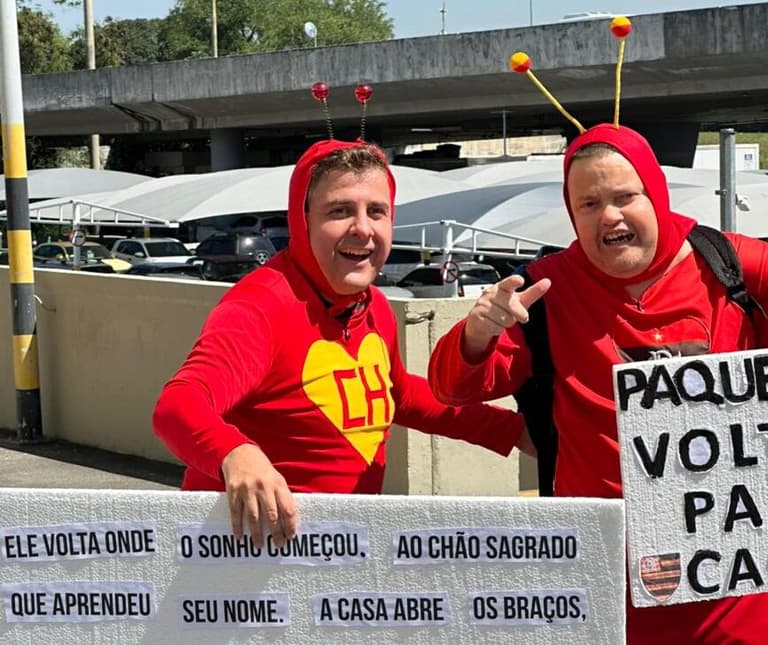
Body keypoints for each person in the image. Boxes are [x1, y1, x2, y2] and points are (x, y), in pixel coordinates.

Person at [427, 123, 768, 644]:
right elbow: (452, 388)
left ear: (656, 194)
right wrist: (476, 333)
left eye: (625, 197)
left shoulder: (734, 263)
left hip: (741, 586)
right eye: (588, 204)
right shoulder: (544, 290)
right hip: (606, 583)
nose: (609, 216)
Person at [153, 138, 529, 549]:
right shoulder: (258, 308)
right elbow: (178, 405)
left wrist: (516, 432)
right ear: (303, 220)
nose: (362, 228)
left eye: (377, 212)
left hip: (341, 554)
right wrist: (235, 454)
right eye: (340, 211)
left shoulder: (374, 306)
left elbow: (397, 395)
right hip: (249, 559)